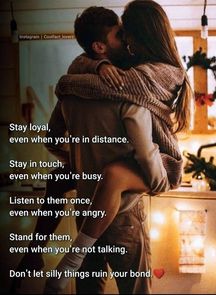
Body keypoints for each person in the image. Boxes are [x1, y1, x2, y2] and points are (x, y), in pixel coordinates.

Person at [44, 0, 192, 293]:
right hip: (124, 213)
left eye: (128, 34)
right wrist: (99, 65)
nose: (126, 41)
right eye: (119, 35)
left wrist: (65, 84)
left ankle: (65, 259)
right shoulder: (125, 82)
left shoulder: (140, 78)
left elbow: (53, 135)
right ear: (100, 46)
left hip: (91, 208)